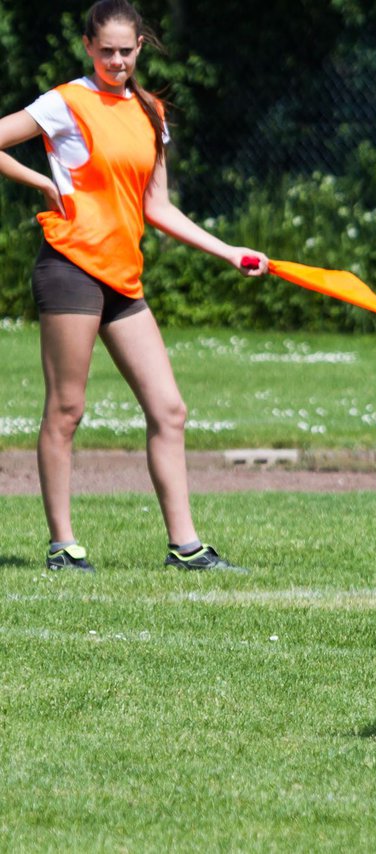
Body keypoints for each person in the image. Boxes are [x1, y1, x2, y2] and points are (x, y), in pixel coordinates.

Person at [0, 0, 268, 574]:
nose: (115, 62)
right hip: (70, 265)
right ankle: (63, 547)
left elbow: (158, 207)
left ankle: (186, 548)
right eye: (105, 52)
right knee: (67, 409)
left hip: (123, 276)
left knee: (169, 409)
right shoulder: (65, 101)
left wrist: (229, 251)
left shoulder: (150, 111)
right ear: (87, 46)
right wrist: (41, 180)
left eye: (125, 51)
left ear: (140, 47)